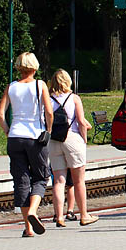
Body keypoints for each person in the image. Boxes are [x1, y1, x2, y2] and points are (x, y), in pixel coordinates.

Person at [0, 52, 52, 237]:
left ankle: (28, 228)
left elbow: (0, 115)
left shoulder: (11, 87)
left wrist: (7, 130)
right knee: (41, 176)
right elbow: (49, 113)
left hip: (15, 138)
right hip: (35, 137)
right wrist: (48, 131)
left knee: (21, 180)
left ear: (19, 67)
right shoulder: (39, 85)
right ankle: (33, 212)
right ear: (35, 67)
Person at [47, 69, 97, 227]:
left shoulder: (47, 99)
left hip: (54, 140)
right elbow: (81, 121)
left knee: (59, 181)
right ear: (68, 81)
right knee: (78, 180)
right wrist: (84, 140)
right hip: (72, 138)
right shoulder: (74, 98)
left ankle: (59, 216)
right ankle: (84, 215)